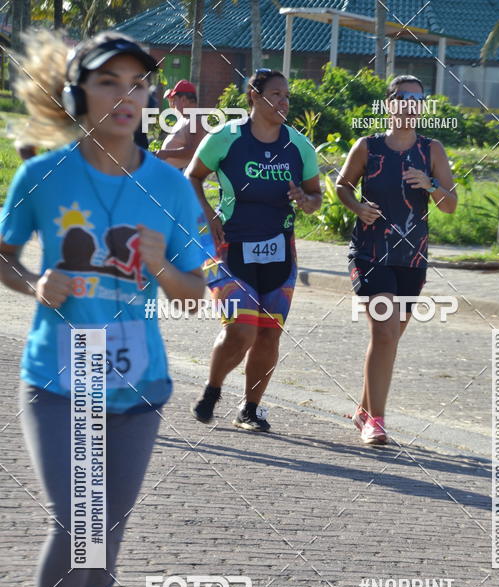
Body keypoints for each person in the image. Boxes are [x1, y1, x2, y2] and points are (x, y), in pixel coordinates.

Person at [0, 31, 217, 587]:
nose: (128, 96)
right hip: (57, 379)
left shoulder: (169, 188)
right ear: (76, 95)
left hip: (137, 390)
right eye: (108, 83)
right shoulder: (41, 177)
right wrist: (36, 283)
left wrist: (161, 268)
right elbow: (2, 256)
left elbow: (193, 294)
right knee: (79, 520)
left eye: (139, 83)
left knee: (103, 542)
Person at [186, 68, 322, 432]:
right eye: (276, 94)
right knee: (241, 330)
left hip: (280, 250)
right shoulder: (226, 138)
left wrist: (304, 199)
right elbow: (193, 176)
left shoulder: (299, 146)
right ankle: (213, 392)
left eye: (287, 96)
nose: (283, 102)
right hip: (229, 247)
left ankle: (250, 408)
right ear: (254, 96)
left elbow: (315, 200)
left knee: (269, 332)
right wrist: (208, 214)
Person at [336, 75, 456, 445]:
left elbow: (450, 206)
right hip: (371, 253)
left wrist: (430, 185)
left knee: (388, 339)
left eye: (418, 99)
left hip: (412, 257)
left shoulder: (431, 150)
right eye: (403, 97)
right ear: (389, 104)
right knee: (384, 331)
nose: (410, 104)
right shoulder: (367, 147)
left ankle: (362, 409)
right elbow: (342, 185)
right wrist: (357, 206)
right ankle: (376, 421)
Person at [155, 79, 205, 170]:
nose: (173, 104)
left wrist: (166, 153)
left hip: (179, 174)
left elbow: (193, 151)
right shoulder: (185, 118)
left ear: (183, 100)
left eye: (175, 100)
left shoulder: (195, 120)